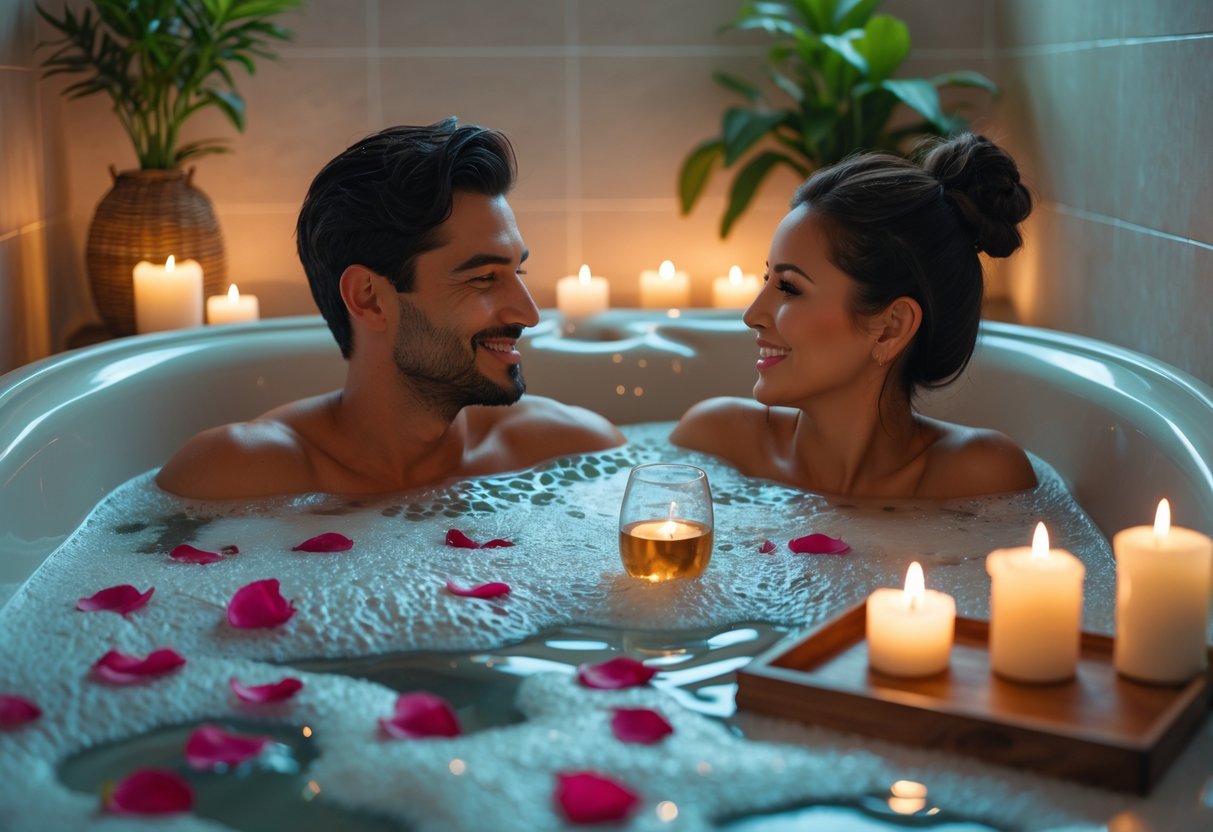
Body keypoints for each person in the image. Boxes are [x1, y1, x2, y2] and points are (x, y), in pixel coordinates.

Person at [158, 119, 623, 499]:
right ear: (370, 299)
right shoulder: (235, 474)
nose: (529, 313)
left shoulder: (567, 450)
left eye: (516, 273)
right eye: (485, 278)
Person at [671, 133, 1037, 499]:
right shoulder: (716, 446)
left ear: (890, 328)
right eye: (767, 280)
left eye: (789, 288)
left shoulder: (979, 477)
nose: (752, 315)